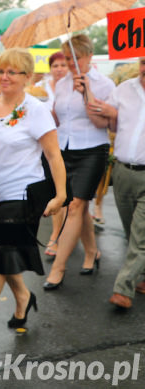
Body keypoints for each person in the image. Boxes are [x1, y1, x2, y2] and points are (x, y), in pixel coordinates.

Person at [0, 49, 67, 349]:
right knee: (2, 254)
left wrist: (61, 195)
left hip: (19, 195)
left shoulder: (37, 109)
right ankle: (23, 295)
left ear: (27, 77)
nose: (4, 77)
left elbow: (53, 154)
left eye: (12, 72)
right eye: (0, 70)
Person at [43, 34, 115, 290]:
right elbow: (57, 118)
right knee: (78, 206)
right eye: (68, 58)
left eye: (77, 58)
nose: (72, 63)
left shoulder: (104, 83)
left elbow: (103, 123)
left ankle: (58, 268)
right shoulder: (61, 84)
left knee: (74, 206)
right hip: (64, 150)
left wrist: (87, 95)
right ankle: (91, 251)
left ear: (88, 56)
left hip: (92, 150)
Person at [89, 57, 145, 309]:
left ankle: (123, 289)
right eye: (143, 62)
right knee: (130, 230)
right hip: (122, 171)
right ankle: (141, 275)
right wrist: (103, 110)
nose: (144, 67)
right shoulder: (123, 89)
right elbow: (104, 123)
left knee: (140, 236)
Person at [39, 51, 70, 257]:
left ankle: (60, 236)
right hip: (46, 146)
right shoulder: (40, 88)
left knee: (67, 195)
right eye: (55, 65)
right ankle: (58, 236)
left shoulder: (73, 86)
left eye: (62, 65)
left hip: (68, 144)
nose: (59, 69)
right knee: (54, 191)